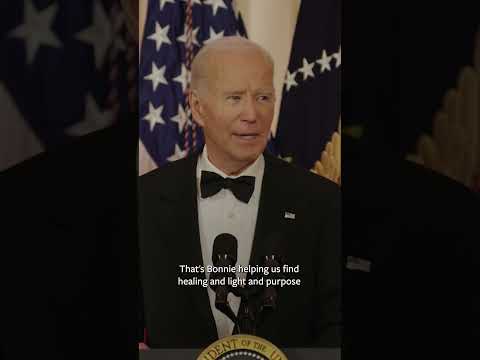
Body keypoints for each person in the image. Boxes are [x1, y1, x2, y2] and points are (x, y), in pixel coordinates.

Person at [138, 36, 341, 349]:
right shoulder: (144, 199)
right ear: (197, 107)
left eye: (263, 97)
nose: (252, 114)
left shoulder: (322, 202)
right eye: (234, 98)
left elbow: (334, 324)